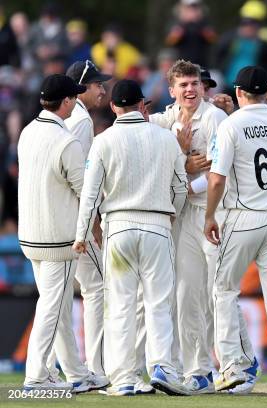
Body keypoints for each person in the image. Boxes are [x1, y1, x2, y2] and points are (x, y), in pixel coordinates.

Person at [72, 79, 188, 396]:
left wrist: (81, 234)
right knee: (159, 303)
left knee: (120, 305)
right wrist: (170, 214)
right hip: (157, 227)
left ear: (113, 107)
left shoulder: (103, 140)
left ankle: (123, 377)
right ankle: (162, 366)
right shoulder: (165, 139)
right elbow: (180, 188)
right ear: (141, 104)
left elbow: (90, 195)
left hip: (119, 227)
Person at [149, 60, 258, 395]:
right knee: (186, 294)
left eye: (195, 84)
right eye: (183, 85)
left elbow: (216, 177)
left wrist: (181, 179)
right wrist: (181, 161)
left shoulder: (215, 119)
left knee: (219, 291)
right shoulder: (166, 120)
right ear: (172, 91)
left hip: (215, 214)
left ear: (203, 86)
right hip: (183, 216)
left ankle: (240, 364)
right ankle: (199, 370)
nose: (190, 90)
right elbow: (138, 134)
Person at [204, 66, 267, 396]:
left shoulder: (230, 125)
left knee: (223, 289)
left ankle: (233, 367)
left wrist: (209, 216)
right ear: (265, 93)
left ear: (237, 93)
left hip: (243, 218)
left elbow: (217, 178)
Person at [18, 74, 102, 391]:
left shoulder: (27, 132)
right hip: (58, 239)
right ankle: (37, 376)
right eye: (74, 98)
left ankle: (76, 372)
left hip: (31, 236)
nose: (76, 103)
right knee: (53, 308)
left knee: (59, 306)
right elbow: (86, 192)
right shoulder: (65, 141)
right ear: (66, 102)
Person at [44, 59, 111, 388]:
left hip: (51, 220)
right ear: (80, 88)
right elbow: (83, 181)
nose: (103, 89)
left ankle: (61, 370)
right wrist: (91, 224)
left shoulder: (55, 122)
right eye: (98, 84)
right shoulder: (81, 120)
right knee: (97, 288)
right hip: (75, 223)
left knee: (56, 298)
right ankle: (94, 369)